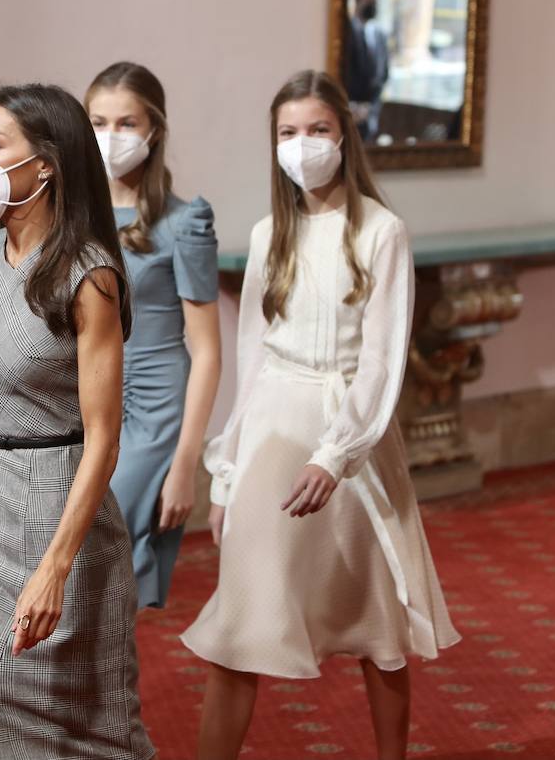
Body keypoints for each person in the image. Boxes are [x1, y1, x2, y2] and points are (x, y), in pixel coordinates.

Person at [180, 70, 460, 760]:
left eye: (317, 131)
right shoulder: (268, 232)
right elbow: (252, 364)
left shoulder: (381, 232)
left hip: (350, 444)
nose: (302, 146)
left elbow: (382, 361)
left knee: (378, 624)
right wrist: (228, 477)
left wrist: (335, 454)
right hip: (272, 435)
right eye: (287, 133)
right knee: (242, 625)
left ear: (345, 136)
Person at [0, 84, 154, 760]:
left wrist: (55, 567)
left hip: (60, 510)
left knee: (68, 734)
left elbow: (105, 437)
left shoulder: (90, 276)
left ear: (46, 163)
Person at [85, 62, 222, 611]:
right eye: (97, 121)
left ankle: (110, 690)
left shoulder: (184, 222)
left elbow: (207, 350)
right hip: (84, 396)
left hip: (151, 405)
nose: (110, 137)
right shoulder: (75, 216)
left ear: (154, 130)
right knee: (74, 569)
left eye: (126, 123)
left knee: (104, 551)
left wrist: (186, 465)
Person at [344, 0, 389, 141]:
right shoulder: (345, 31)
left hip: (372, 111)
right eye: (369, 0)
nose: (373, 5)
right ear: (358, 1)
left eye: (375, 2)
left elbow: (383, 73)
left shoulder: (380, 35)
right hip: (351, 108)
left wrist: (372, 107)